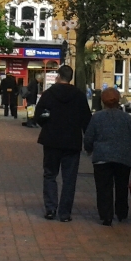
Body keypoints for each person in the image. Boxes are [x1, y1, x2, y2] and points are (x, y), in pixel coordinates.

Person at [34, 64, 92, 222]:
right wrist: (89, 142)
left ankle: (51, 208)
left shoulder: (48, 94)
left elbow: (38, 116)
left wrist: (46, 124)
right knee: (69, 178)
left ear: (58, 76)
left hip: (51, 140)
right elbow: (87, 120)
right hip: (72, 142)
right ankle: (65, 213)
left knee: (50, 174)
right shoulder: (79, 95)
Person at [84, 87, 131, 226]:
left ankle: (106, 215)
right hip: (123, 158)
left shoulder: (97, 117)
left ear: (103, 101)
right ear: (118, 101)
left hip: (101, 157)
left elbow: (89, 137)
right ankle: (121, 212)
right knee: (121, 187)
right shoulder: (128, 118)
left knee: (103, 187)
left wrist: (89, 149)